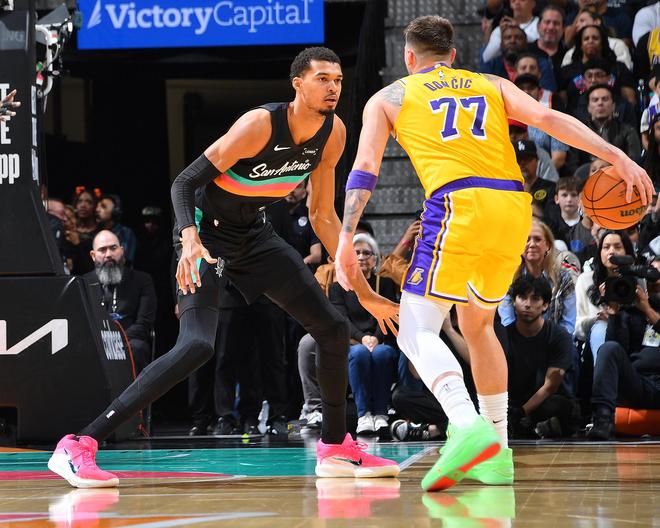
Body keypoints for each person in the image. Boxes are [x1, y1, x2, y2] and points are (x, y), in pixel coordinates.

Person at [47, 47, 400, 489]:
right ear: (298, 84)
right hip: (203, 236)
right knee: (197, 345)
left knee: (332, 328)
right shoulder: (259, 125)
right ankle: (79, 443)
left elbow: (322, 216)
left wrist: (364, 291)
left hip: (254, 236)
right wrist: (188, 239)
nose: (333, 88)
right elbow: (184, 183)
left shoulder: (333, 134)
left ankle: (335, 448)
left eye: (338, 80)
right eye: (323, 79)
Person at [334, 15, 652, 492]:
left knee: (415, 328)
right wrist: (617, 155)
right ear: (453, 55)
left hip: (457, 202)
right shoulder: (490, 83)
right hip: (513, 207)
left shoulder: (389, 97)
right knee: (478, 325)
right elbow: (549, 120)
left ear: (408, 57)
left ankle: (466, 424)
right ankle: (498, 453)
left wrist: (346, 236)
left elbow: (365, 167)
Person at [329, 233, 400, 435]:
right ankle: (364, 416)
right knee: (359, 353)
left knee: (382, 353)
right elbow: (342, 319)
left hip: (380, 340)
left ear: (375, 259)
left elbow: (388, 315)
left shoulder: (384, 284)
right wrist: (363, 338)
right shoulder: (337, 288)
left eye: (366, 253)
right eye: (356, 253)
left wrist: (376, 337)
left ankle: (381, 413)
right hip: (352, 341)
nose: (361, 257)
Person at [588, 259, 660, 440]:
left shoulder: (646, 309)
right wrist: (614, 311)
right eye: (652, 278)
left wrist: (648, 310)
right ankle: (602, 421)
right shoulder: (633, 312)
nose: (656, 282)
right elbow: (612, 350)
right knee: (608, 348)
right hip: (638, 384)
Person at [503, 276, 577, 439]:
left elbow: (550, 387)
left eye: (535, 299)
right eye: (522, 297)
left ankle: (534, 425)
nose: (527, 304)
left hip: (545, 400)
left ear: (545, 305)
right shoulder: (503, 336)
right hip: (513, 400)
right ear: (514, 302)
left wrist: (521, 412)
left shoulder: (559, 336)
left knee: (559, 405)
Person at [84, 230, 157, 372]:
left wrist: (117, 340)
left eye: (113, 248)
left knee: (138, 348)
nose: (108, 254)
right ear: (93, 255)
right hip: (95, 342)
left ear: (122, 251)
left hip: (129, 341)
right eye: (102, 250)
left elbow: (144, 324)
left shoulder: (142, 280)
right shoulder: (84, 283)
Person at [498, 220, 577, 335]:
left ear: (548, 246)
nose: (532, 244)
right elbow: (508, 322)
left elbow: (568, 324)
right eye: (526, 240)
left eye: (538, 239)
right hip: (518, 342)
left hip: (556, 341)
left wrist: (553, 341)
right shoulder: (509, 278)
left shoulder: (564, 278)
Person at [96, 194, 138, 266]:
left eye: (103, 207)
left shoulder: (125, 233)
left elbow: (125, 262)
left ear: (115, 212)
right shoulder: (95, 232)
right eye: (97, 206)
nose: (97, 210)